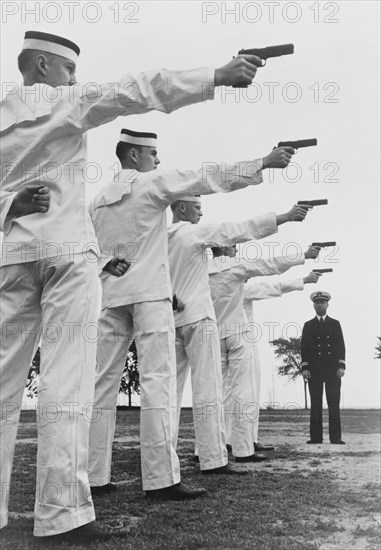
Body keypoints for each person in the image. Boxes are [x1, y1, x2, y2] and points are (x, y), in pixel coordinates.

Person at [0, 30, 264, 538]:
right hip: (70, 260)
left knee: (7, 387)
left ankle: (57, 492)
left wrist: (9, 206)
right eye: (69, 70)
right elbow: (140, 89)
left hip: (12, 256)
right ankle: (61, 514)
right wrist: (216, 76)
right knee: (67, 387)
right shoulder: (68, 103)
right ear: (42, 66)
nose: (75, 79)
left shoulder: (12, 127)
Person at [88, 129, 295, 496]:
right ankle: (161, 479)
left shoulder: (99, 200)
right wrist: (262, 163)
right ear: (134, 156)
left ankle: (94, 476)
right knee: (159, 385)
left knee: (102, 386)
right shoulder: (151, 185)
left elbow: (88, 246)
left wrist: (106, 262)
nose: (158, 161)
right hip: (150, 297)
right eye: (153, 154)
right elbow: (208, 176)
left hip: (111, 295)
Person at [168, 196, 310, 473]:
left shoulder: (200, 270)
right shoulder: (234, 268)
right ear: (228, 249)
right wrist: (302, 257)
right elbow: (269, 265)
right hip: (233, 332)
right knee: (240, 391)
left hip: (206, 332)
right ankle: (243, 448)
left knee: (213, 394)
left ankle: (203, 450)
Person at [208, 246, 321, 462]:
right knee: (244, 392)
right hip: (240, 339)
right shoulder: (236, 282)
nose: (236, 251)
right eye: (232, 247)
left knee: (222, 392)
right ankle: (241, 444)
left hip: (217, 337)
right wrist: (303, 280)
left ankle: (227, 442)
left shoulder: (205, 274)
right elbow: (271, 285)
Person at [301, 291, 346, 444]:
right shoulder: (308, 325)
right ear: (313, 305)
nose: (320, 305)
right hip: (314, 371)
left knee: (333, 403)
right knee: (316, 404)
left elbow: (341, 345)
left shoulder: (335, 324)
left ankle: (336, 437)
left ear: (327, 304)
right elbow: (304, 348)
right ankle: (315, 437)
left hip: (333, 370)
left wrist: (341, 366)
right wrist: (305, 367)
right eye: (317, 302)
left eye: (322, 302)